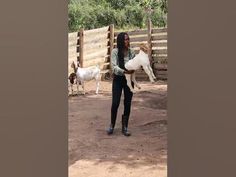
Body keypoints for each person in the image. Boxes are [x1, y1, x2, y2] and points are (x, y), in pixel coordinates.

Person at [107, 32, 136, 136]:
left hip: (129, 80)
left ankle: (125, 127)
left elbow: (134, 64)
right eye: (125, 39)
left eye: (128, 39)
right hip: (118, 79)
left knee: (127, 103)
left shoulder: (132, 52)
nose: (127, 41)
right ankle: (112, 124)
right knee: (115, 103)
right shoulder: (115, 51)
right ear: (120, 41)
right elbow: (114, 67)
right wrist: (124, 71)